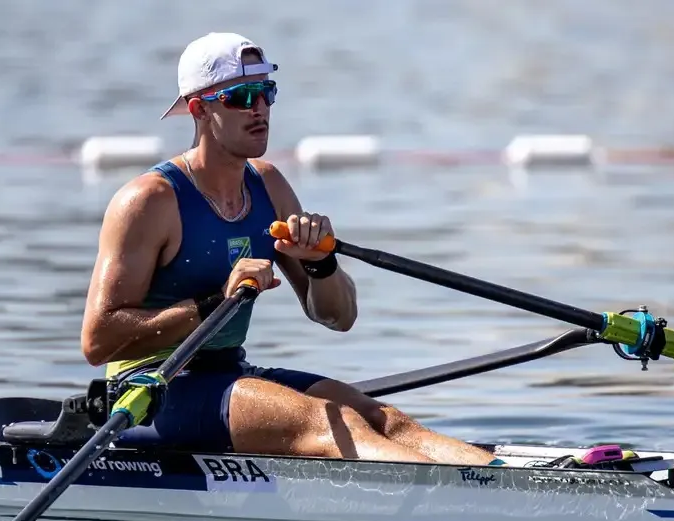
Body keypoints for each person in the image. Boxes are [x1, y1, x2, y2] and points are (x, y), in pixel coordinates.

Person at [80, 31, 501, 466]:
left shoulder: (268, 185)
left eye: (266, 93)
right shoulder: (150, 201)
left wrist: (321, 264)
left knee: (383, 419)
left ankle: (499, 475)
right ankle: (476, 496)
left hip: (227, 375)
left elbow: (339, 318)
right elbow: (98, 342)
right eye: (241, 96)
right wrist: (210, 304)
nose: (259, 109)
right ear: (199, 109)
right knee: (327, 423)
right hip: (149, 392)